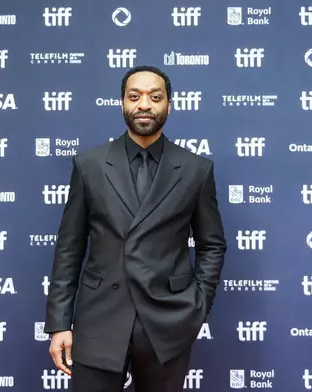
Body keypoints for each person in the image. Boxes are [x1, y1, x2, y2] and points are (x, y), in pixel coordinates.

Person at [44, 65, 227, 392]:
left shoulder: (197, 169)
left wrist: (197, 304)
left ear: (169, 105)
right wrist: (59, 324)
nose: (144, 104)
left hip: (168, 320)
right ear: (122, 103)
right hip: (99, 317)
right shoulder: (90, 165)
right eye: (135, 96)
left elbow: (211, 244)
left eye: (155, 97)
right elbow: (69, 247)